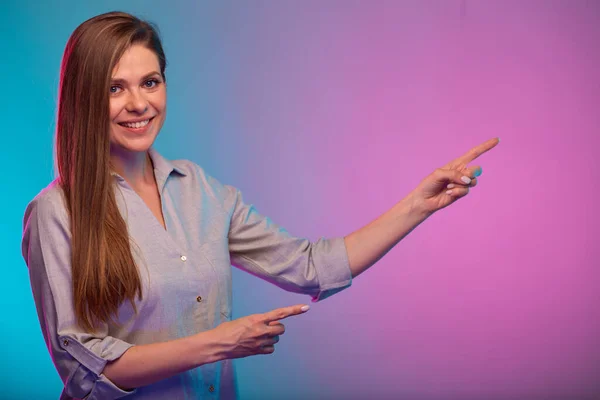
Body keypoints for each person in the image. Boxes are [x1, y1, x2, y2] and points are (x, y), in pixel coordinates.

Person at [21, 11, 499, 400]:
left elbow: (312, 265)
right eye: (114, 87)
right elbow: (84, 371)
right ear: (84, 98)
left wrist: (420, 204)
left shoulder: (200, 189)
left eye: (150, 82)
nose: (138, 103)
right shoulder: (55, 213)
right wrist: (219, 343)